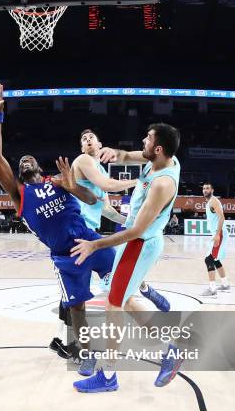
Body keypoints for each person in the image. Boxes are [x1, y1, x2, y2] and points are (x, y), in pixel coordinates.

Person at [0, 84, 127, 356]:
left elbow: (90, 199)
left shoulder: (59, 181)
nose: (25, 162)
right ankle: (84, 355)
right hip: (65, 255)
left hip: (91, 241)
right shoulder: (20, 193)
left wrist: (73, 185)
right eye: (21, 162)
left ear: (39, 167)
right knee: (77, 309)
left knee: (123, 283)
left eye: (30, 160)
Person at [70, 123, 182, 392]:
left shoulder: (162, 183)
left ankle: (108, 376)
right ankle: (170, 348)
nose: (142, 140)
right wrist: (115, 153)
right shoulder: (162, 158)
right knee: (124, 300)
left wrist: (95, 246)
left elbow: (135, 231)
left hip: (139, 244)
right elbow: (130, 156)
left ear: (158, 148)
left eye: (148, 138)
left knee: (113, 305)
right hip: (133, 242)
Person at [200, 183, 230, 297]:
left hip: (220, 233)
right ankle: (225, 284)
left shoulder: (214, 201)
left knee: (209, 259)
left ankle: (212, 289)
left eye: (207, 188)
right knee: (216, 260)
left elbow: (222, 217)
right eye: (204, 188)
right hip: (218, 233)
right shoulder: (209, 202)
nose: (205, 190)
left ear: (212, 190)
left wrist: (217, 234)